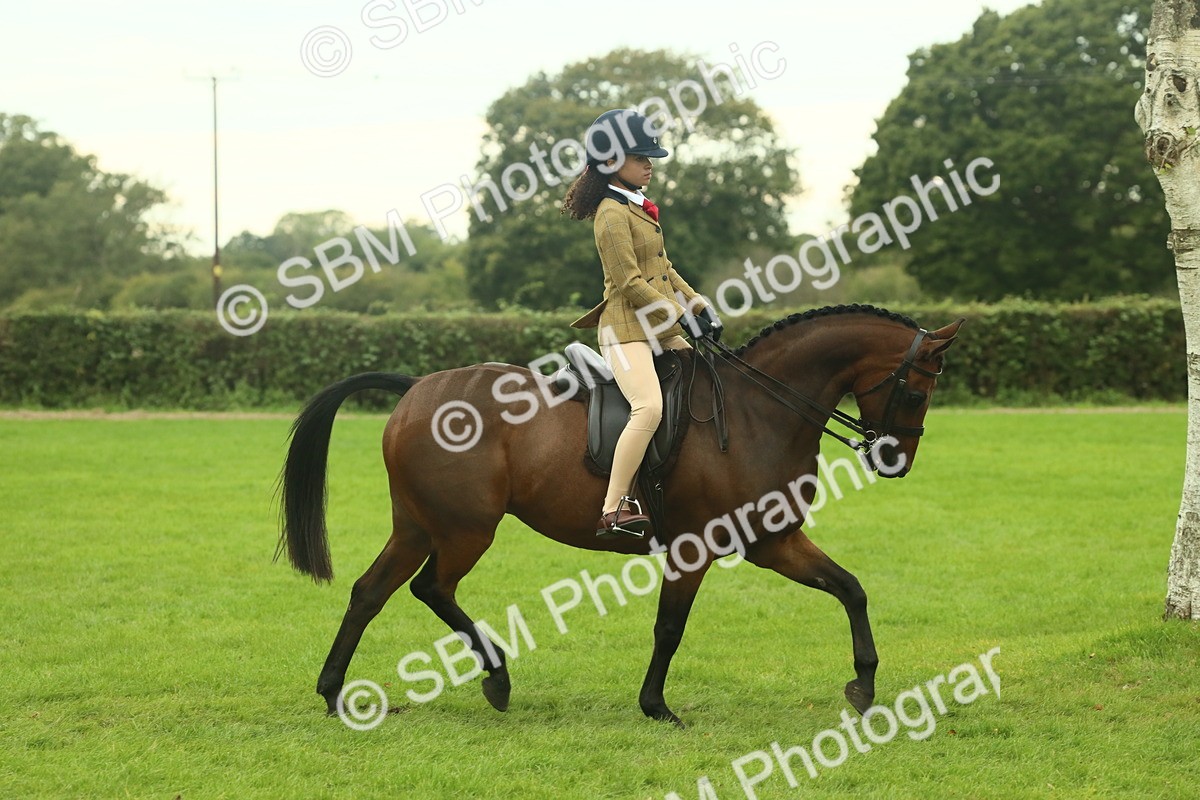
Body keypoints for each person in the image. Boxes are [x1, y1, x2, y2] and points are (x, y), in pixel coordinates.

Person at [561, 109, 721, 538]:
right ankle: (614, 508)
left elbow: (663, 268)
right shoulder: (611, 214)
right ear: (612, 161)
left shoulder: (639, 208)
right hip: (625, 330)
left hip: (660, 327)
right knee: (649, 406)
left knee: (705, 384)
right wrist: (680, 315)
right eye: (640, 156)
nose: (650, 163)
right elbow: (630, 283)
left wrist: (698, 304)